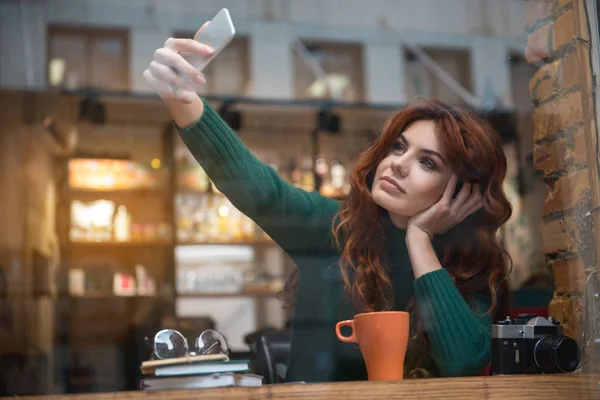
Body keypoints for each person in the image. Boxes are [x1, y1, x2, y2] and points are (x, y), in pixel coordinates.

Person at [143, 24, 513, 382]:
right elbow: (261, 190)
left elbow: (463, 364)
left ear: (462, 191)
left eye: (427, 162)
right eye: (399, 147)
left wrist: (420, 240)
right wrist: (182, 97)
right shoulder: (336, 228)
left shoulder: (470, 269)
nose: (398, 163)